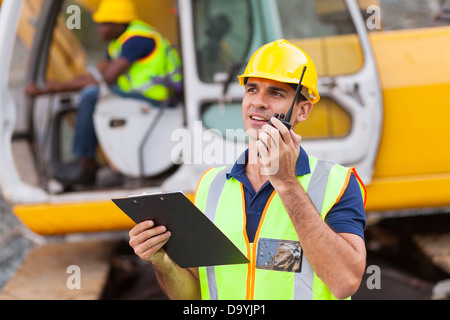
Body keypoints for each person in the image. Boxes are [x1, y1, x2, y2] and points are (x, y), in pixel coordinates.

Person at [128, 39, 367, 300]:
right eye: (252, 89)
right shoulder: (212, 185)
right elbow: (194, 296)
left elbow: (344, 282)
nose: (259, 102)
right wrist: (161, 260)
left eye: (276, 93)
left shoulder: (336, 184)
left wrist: (287, 184)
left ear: (303, 111)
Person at [25, 0, 182, 188]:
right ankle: (98, 162)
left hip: (159, 99)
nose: (99, 29)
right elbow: (95, 73)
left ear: (118, 24)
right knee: (87, 92)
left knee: (91, 95)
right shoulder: (120, 42)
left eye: (104, 24)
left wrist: (55, 87)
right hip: (142, 96)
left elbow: (107, 78)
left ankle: (86, 165)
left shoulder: (138, 40)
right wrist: (60, 85)